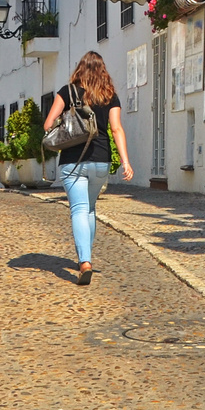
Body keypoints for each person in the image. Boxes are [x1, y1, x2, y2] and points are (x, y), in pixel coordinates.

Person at [41, 51, 133, 285]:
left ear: (80, 69)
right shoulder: (109, 95)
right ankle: (86, 257)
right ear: (102, 70)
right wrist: (125, 162)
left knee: (79, 210)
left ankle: (85, 261)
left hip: (73, 159)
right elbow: (117, 129)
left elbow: (48, 124)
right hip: (101, 159)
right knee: (90, 208)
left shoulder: (67, 91)